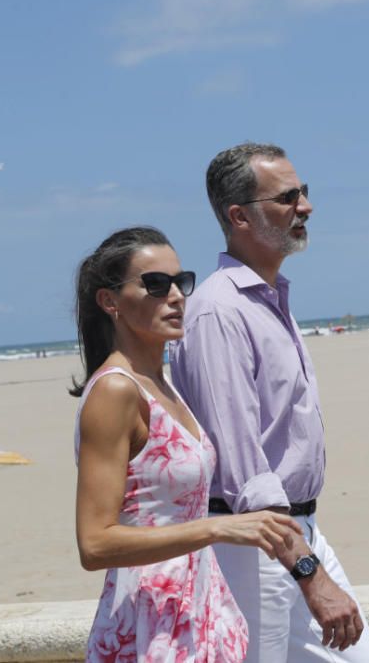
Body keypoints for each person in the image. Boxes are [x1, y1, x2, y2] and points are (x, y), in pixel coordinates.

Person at [170, 143, 369, 662]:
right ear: (238, 215)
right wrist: (308, 572)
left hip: (295, 534)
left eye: (304, 193)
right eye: (287, 197)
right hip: (258, 549)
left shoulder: (267, 299)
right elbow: (245, 468)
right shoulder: (219, 312)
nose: (305, 207)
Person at [71, 226, 303, 662]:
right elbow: (94, 543)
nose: (176, 296)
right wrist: (217, 528)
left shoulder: (163, 384)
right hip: (147, 622)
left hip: (197, 609)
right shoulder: (116, 392)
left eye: (182, 282)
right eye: (156, 285)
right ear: (109, 301)